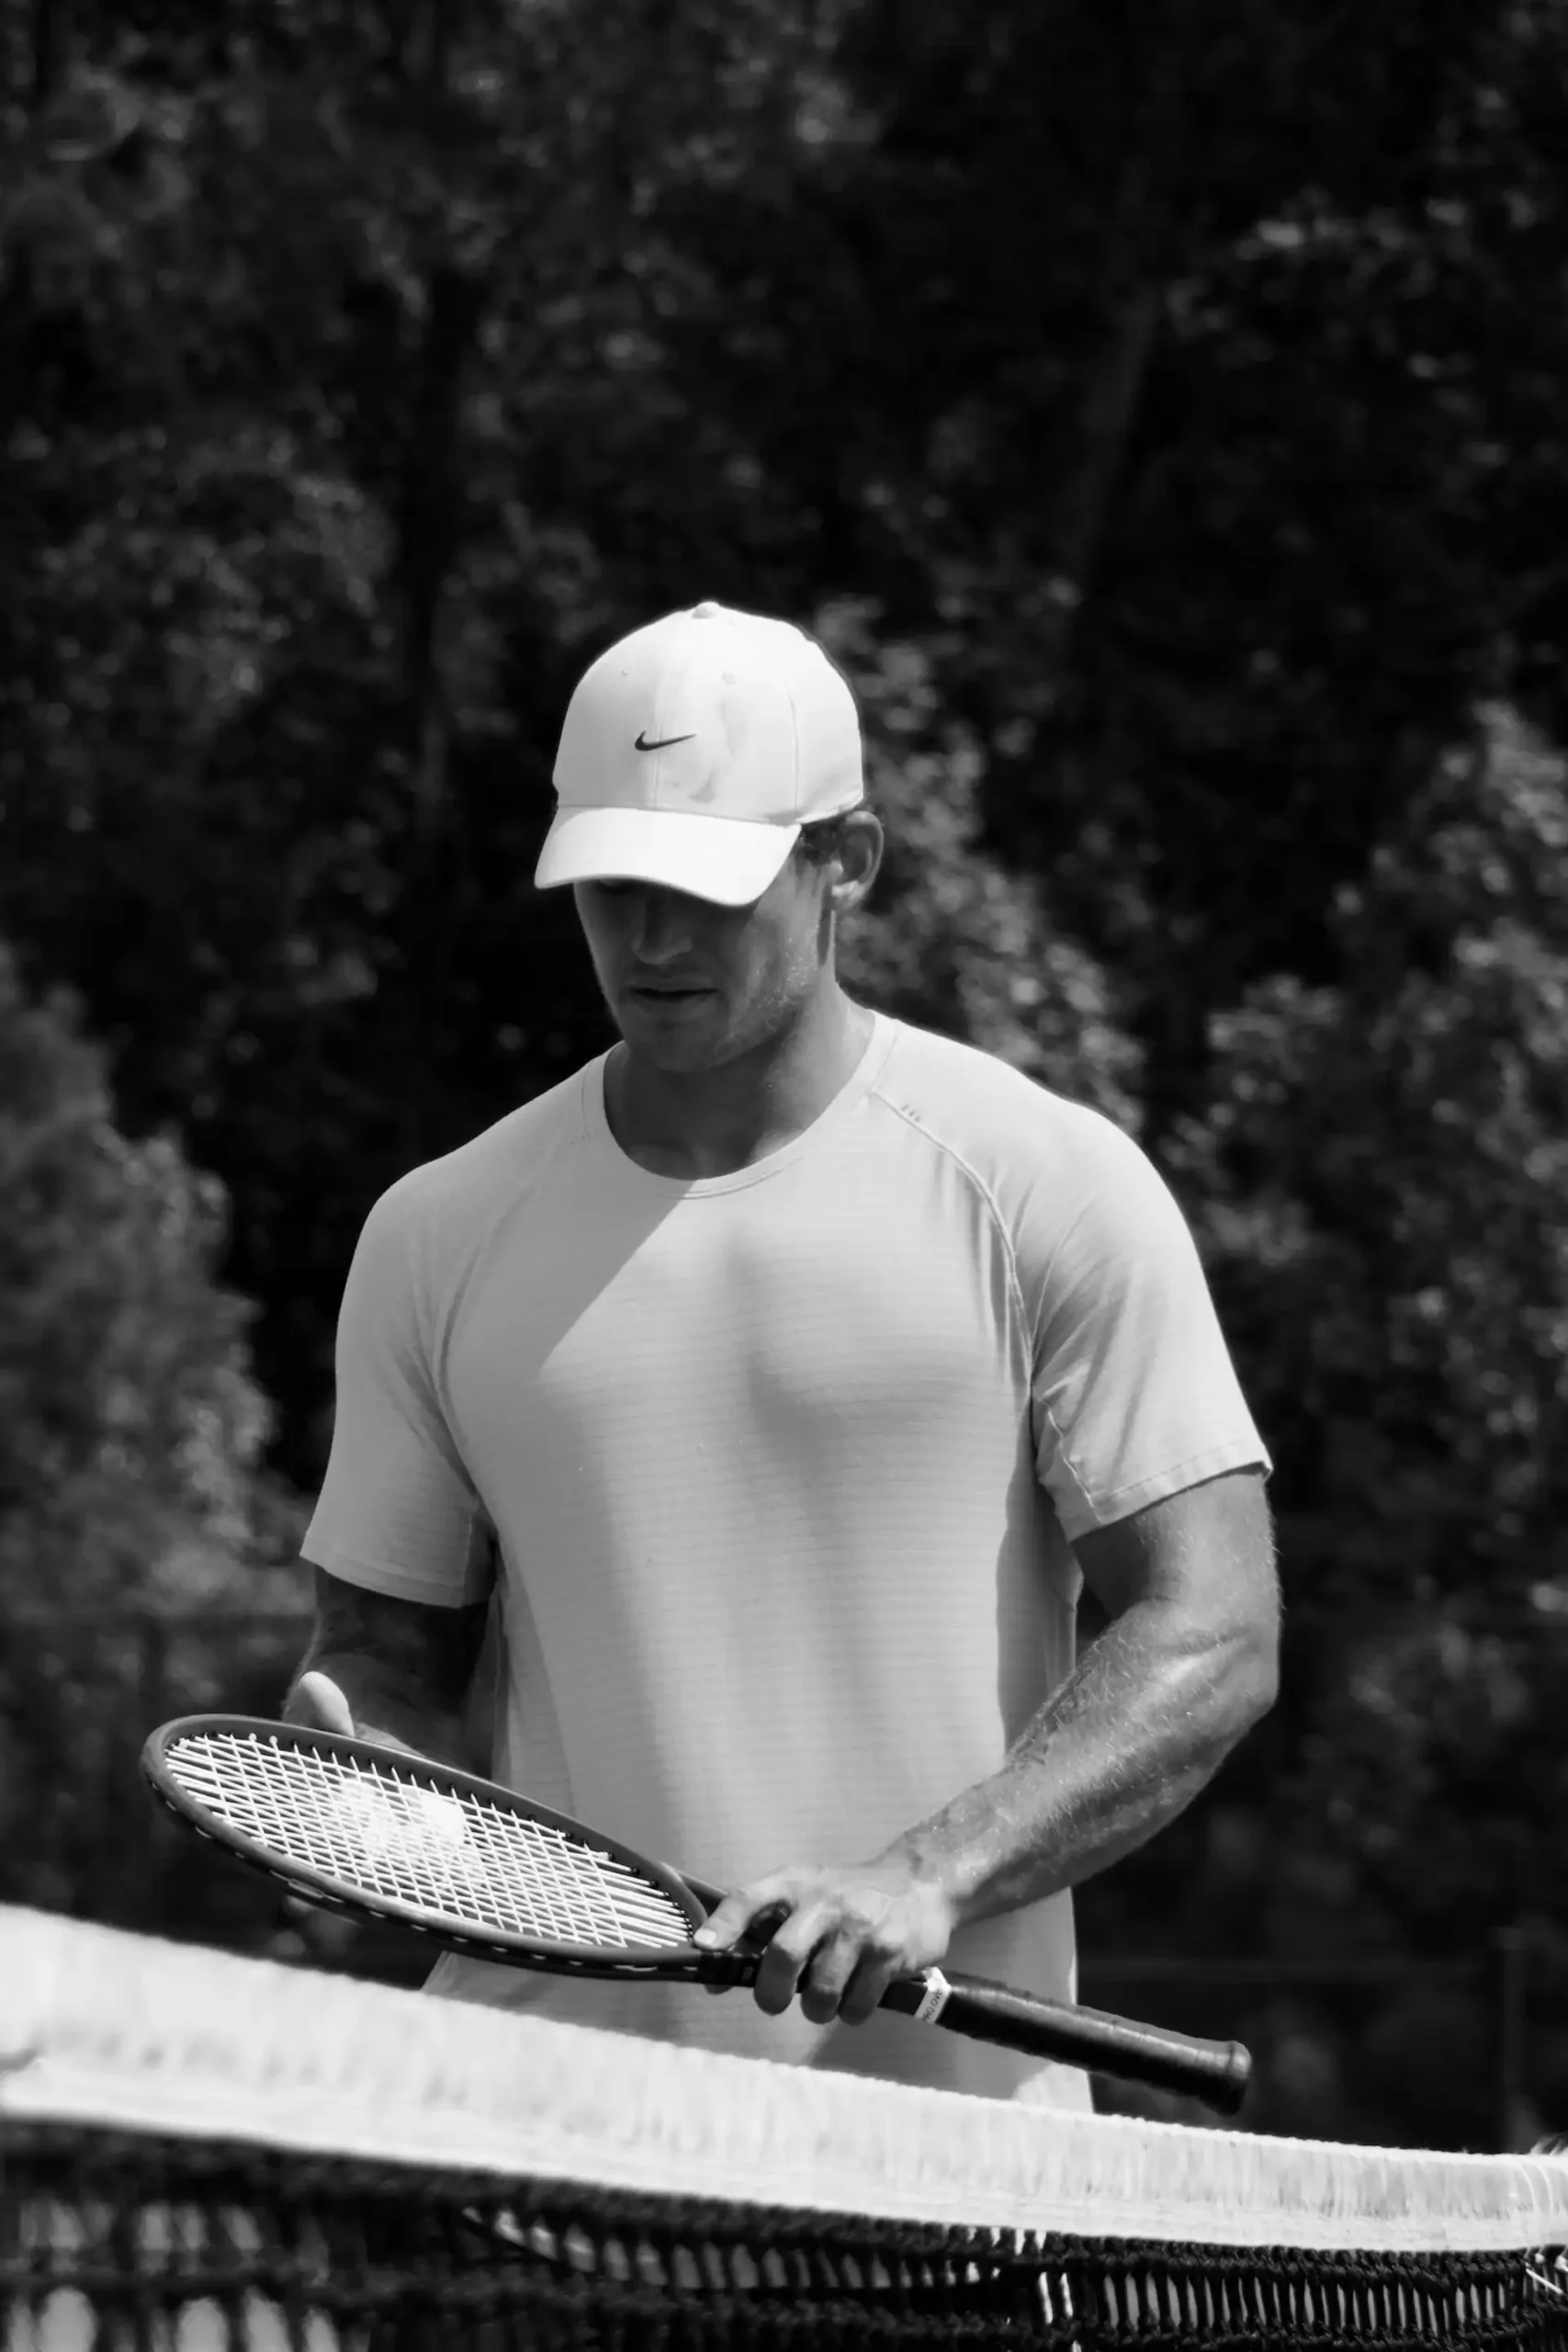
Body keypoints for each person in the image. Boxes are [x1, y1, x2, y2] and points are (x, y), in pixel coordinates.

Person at [288, 598, 1278, 2106]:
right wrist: (364, 1785)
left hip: (946, 2192)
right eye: (611, 884)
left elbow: (1213, 1631)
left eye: (706, 884)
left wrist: (929, 1875)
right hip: (541, 2169)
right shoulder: (437, 1231)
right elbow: (384, 1663)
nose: (653, 937)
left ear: (846, 864)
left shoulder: (1041, 1185)